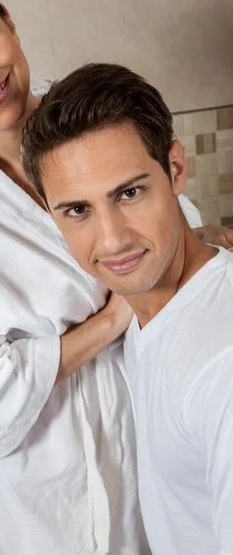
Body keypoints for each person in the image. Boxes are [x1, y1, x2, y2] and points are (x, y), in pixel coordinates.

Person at [0, 0, 233, 555]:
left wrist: (206, 241)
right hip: (33, 487)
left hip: (140, 430)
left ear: (10, 23)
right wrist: (112, 319)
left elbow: (169, 234)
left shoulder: (88, 121)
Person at [21, 62, 233, 555]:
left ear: (175, 170)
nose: (113, 240)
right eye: (78, 210)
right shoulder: (150, 316)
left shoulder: (222, 365)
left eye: (130, 193)